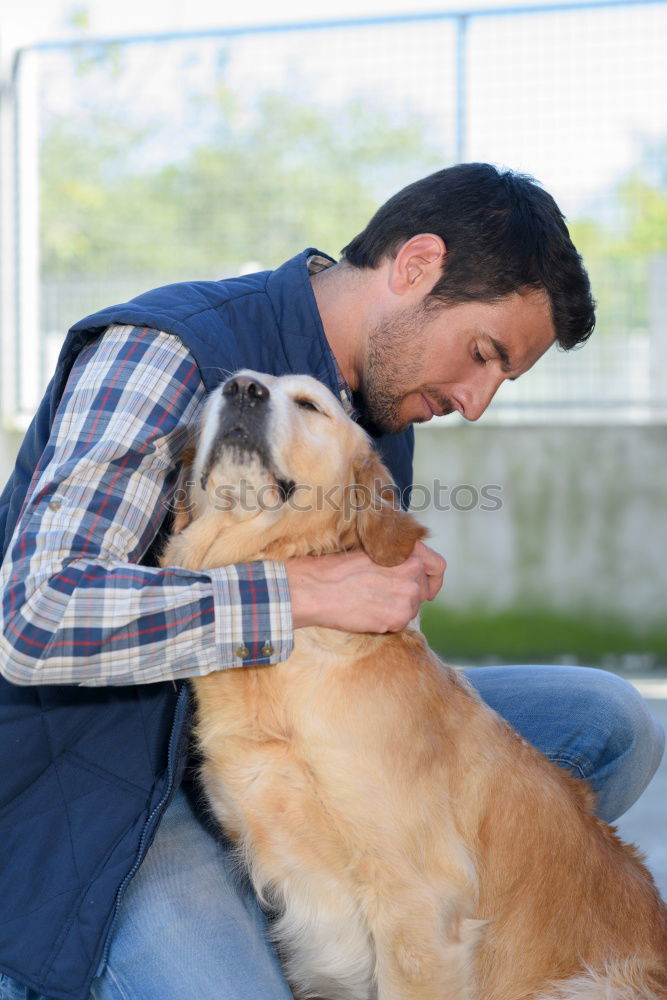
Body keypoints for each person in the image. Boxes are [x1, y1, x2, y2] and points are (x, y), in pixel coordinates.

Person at [0, 162, 663, 1000]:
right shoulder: (163, 353)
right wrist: (304, 593)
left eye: (501, 379)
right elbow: (36, 615)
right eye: (481, 355)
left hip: (275, 734)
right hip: (95, 783)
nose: (475, 402)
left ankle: (408, 910)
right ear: (415, 265)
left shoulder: (377, 405)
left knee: (606, 719)